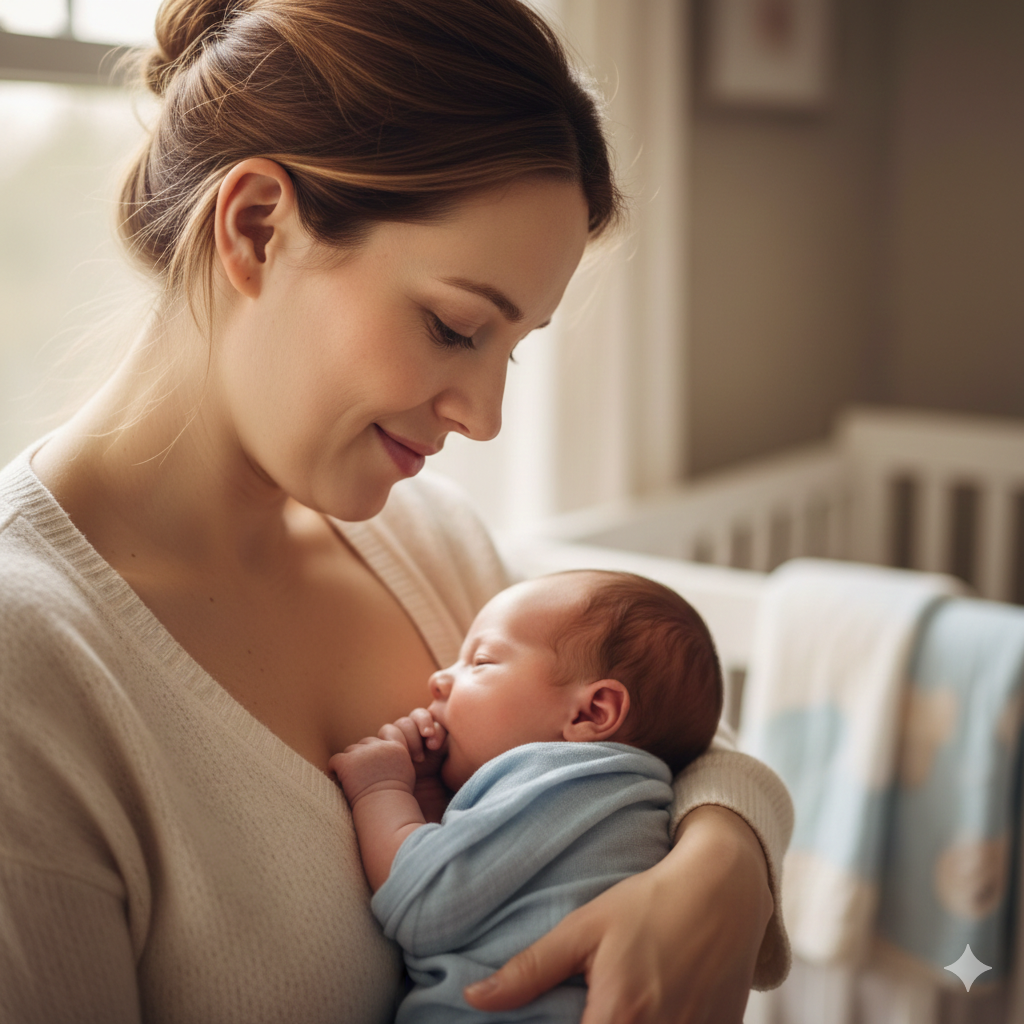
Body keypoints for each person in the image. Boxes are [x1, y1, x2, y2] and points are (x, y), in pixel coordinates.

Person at [0, 1, 792, 1022]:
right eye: (455, 326)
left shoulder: (426, 538)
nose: (487, 415)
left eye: (514, 347)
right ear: (256, 228)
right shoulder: (35, 671)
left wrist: (722, 856)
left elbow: (668, 727)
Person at [332, 569, 725, 1021]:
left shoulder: (561, 777)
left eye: (480, 662)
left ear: (591, 712)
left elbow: (430, 901)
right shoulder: (630, 796)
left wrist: (381, 789)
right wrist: (427, 791)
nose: (439, 678)